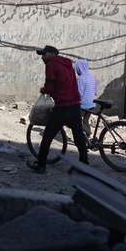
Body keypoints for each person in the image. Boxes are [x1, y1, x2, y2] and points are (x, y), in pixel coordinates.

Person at [26, 46, 89, 174]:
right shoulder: (68, 64)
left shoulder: (51, 65)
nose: (42, 57)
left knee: (48, 135)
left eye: (44, 54)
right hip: (75, 105)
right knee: (78, 135)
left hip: (62, 106)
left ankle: (41, 165)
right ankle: (84, 164)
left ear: (51, 54)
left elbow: (50, 87)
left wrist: (43, 90)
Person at [74, 59, 98, 139]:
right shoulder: (92, 77)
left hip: (84, 104)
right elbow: (95, 91)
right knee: (85, 120)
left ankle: (89, 134)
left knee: (76, 121)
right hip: (92, 103)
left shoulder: (81, 79)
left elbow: (79, 94)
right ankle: (88, 139)